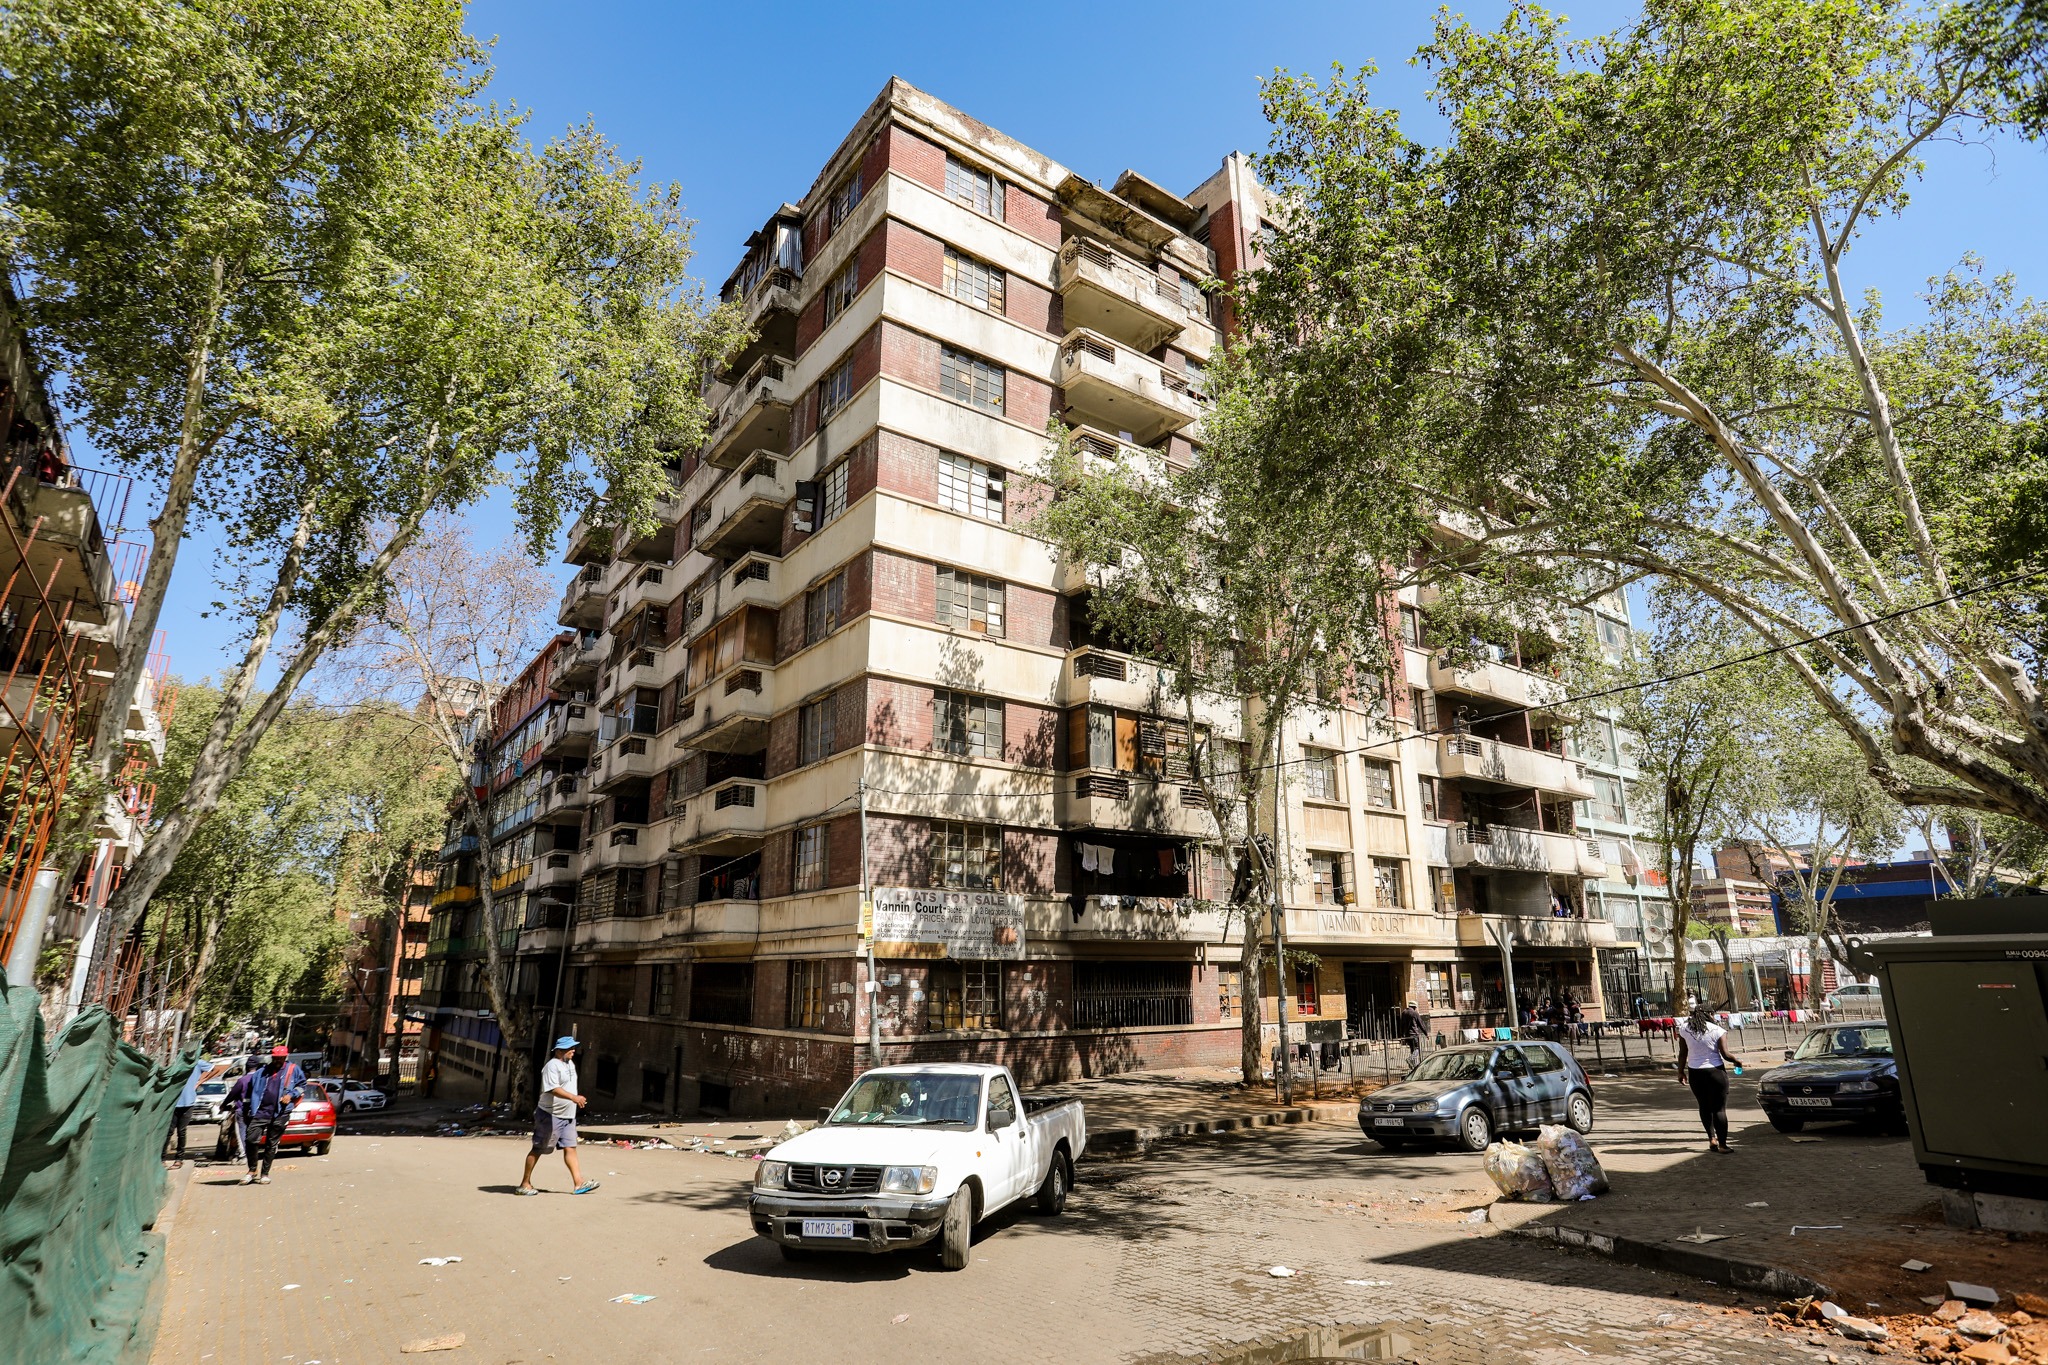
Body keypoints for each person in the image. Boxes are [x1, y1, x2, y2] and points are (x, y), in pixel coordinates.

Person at [518, 1037, 598, 1196]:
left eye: (574, 1047)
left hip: (568, 1115)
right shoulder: (551, 1066)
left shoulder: (570, 1064)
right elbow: (553, 1089)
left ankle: (579, 1184)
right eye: (570, 1048)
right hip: (550, 1115)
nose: (573, 1050)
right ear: (559, 1050)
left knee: (570, 1147)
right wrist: (574, 1098)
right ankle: (524, 1184)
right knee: (538, 1149)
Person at [1674, 1000, 1743, 1153]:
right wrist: (1737, 1061)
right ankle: (1723, 1145)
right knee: (1719, 1109)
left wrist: (1680, 1072)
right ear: (1709, 1014)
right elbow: (1725, 1055)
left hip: (1695, 1073)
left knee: (1704, 1106)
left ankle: (1712, 1139)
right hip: (1716, 1072)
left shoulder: (1684, 1029)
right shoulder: (1717, 1030)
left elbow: (1682, 1053)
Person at [240, 1045, 306, 1184]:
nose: (278, 1061)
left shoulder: (293, 1070)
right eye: (276, 1058)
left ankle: (265, 1173)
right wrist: (246, 1110)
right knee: (251, 1140)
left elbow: (302, 1085)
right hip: (260, 1111)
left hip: (280, 1113)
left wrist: (291, 1094)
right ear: (272, 1057)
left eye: (281, 1058)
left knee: (271, 1144)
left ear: (285, 1058)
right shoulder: (261, 1072)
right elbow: (250, 1092)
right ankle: (252, 1170)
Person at [164, 1057, 208, 1168]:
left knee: (181, 1131)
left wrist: (200, 1081)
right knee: (169, 1131)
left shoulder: (197, 1063)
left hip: (188, 1103)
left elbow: (215, 1069)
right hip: (174, 1102)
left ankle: (179, 1159)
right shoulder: (176, 1061)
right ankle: (162, 1158)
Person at [1397, 1000, 1427, 1067]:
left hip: (1407, 1035)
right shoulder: (1414, 1013)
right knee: (1417, 1048)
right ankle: (1411, 1059)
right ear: (1414, 1007)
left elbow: (1401, 1025)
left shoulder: (1403, 1013)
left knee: (1412, 1049)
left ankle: (1413, 1065)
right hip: (1414, 1034)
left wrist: (1402, 1035)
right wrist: (1426, 1033)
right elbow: (1421, 1024)